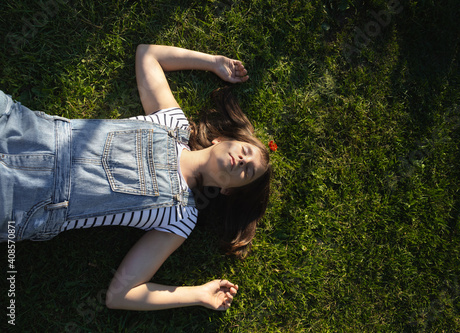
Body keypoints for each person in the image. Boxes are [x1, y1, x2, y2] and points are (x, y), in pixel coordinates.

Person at [0, 44, 271, 311]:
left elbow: (121, 295)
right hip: (25, 130)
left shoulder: (181, 218)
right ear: (221, 139)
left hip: (26, 199)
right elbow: (148, 54)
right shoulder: (173, 124)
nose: (243, 161)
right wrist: (212, 62)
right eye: (245, 151)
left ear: (228, 191)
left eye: (248, 171)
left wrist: (199, 294)